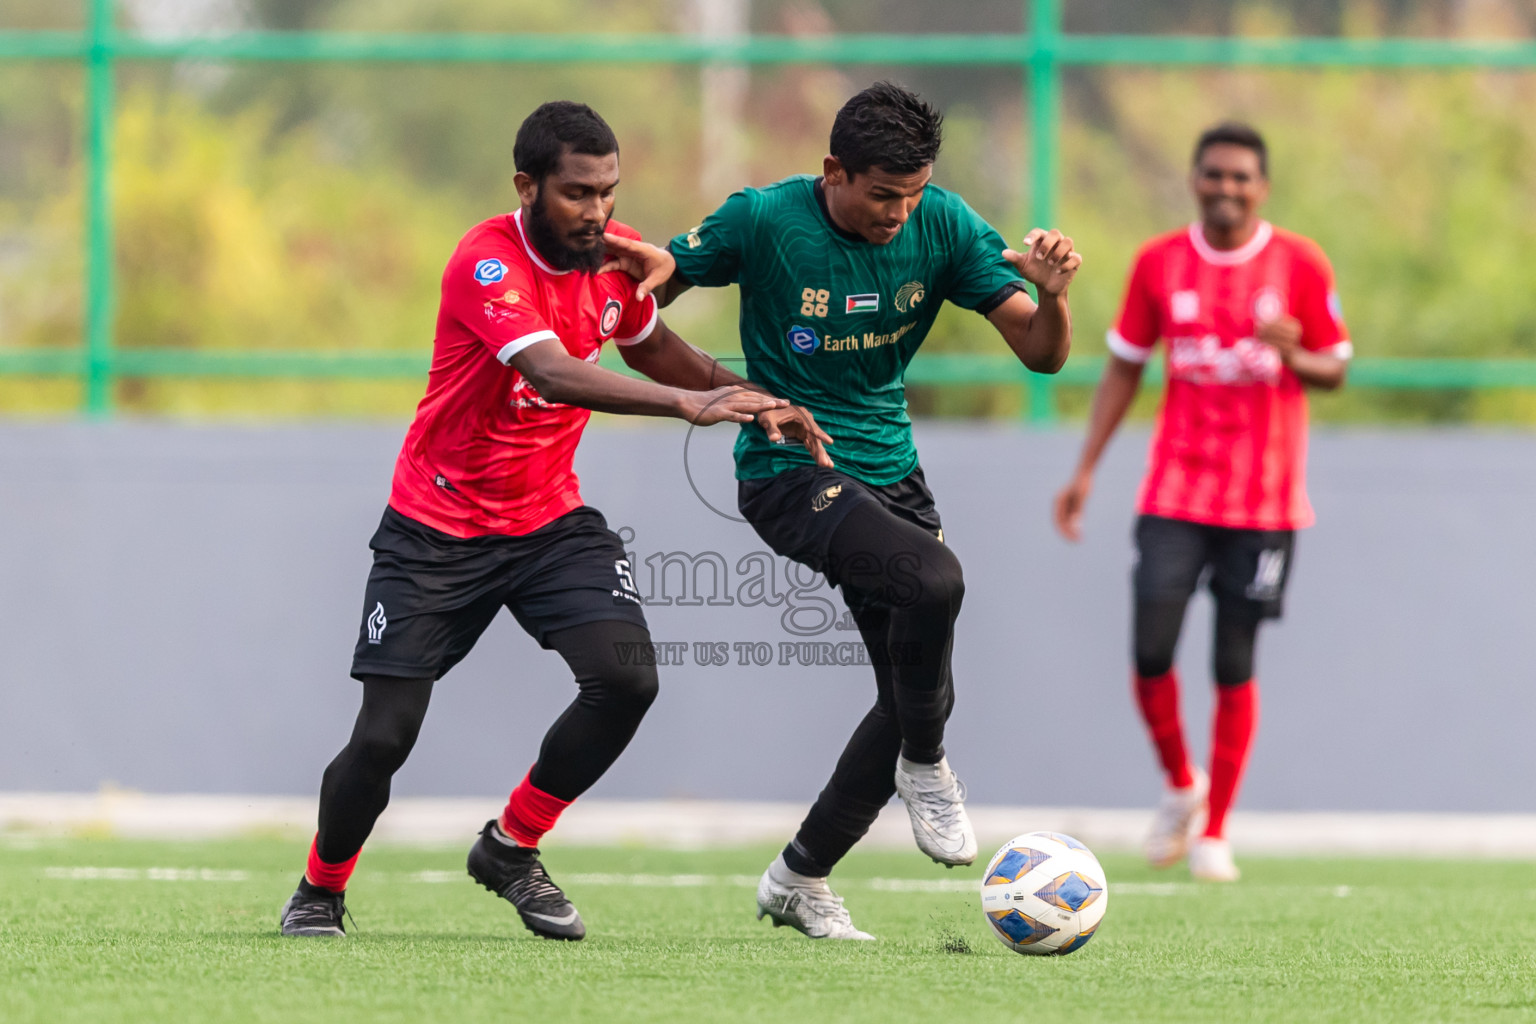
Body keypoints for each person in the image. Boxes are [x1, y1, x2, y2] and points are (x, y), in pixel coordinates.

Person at [278, 100, 795, 940]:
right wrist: (687, 405)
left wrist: (742, 392)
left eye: (609, 192)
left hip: (549, 522)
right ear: (527, 186)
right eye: (577, 193)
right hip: (434, 528)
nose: (597, 212)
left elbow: (652, 346)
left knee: (628, 679)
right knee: (384, 738)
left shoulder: (612, 265)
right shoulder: (486, 264)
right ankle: (320, 889)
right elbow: (553, 374)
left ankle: (512, 847)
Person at [653, 81, 1081, 939]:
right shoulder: (763, 220)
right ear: (834, 172)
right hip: (789, 467)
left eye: (911, 195)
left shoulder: (946, 225)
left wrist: (1057, 294)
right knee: (935, 582)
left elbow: (1040, 355)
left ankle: (798, 878)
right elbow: (642, 300)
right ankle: (928, 766)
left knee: (913, 688)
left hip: (892, 472)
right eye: (882, 195)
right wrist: (729, 390)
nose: (897, 214)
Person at [1053, 122, 1351, 882]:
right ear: (1195, 179)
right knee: (1151, 650)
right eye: (1214, 175)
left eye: (1241, 178)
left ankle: (1215, 830)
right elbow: (1123, 368)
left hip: (1266, 503)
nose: (1227, 188)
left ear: (1263, 187)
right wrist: (1086, 467)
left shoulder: (1300, 263)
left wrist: (1291, 353)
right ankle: (1182, 784)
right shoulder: (1159, 263)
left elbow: (1335, 369)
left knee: (1232, 661)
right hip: (1176, 491)